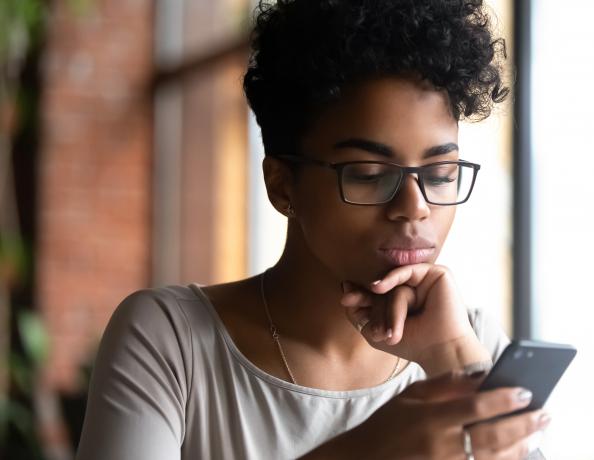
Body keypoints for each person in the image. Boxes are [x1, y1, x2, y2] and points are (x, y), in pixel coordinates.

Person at [75, 0, 550, 458]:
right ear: (282, 186)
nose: (415, 207)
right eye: (368, 173)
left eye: (440, 174)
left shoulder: (472, 340)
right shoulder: (172, 342)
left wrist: (450, 355)